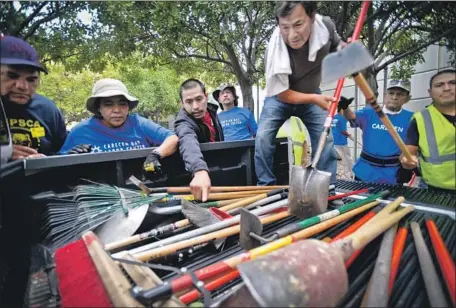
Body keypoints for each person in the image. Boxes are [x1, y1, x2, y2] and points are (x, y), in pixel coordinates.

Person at [255, 1, 345, 193]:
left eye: (298, 24)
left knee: (326, 140)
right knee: (262, 138)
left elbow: (338, 46)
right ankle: (266, 188)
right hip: (279, 98)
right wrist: (314, 99)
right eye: (285, 27)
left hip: (312, 93)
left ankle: (327, 190)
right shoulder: (275, 49)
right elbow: (283, 94)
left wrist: (347, 50)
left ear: (312, 17)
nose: (292, 35)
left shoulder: (325, 26)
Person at [58, 78, 178, 179]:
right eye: (108, 104)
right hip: (99, 196)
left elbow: (172, 138)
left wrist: (155, 155)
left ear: (128, 107)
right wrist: (70, 159)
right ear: (98, 108)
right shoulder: (80, 132)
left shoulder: (139, 124)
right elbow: (58, 168)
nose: (117, 110)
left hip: (142, 191)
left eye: (122, 103)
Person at [0, 35, 67, 160]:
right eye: (12, 76)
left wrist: (46, 162)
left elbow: (62, 155)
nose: (22, 86)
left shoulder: (48, 111)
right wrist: (4, 154)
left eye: (31, 79)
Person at [340, 80, 414, 184]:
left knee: (389, 201)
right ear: (385, 95)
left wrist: (409, 167)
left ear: (407, 98)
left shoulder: (411, 118)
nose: (394, 97)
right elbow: (352, 117)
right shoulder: (369, 112)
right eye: (391, 93)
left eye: (400, 94)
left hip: (392, 174)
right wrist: (345, 108)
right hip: (365, 172)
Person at [400, 69, 455, 192]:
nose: (447, 88)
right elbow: (408, 153)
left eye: (453, 83)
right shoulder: (420, 119)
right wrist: (406, 160)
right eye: (439, 85)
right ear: (430, 92)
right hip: (435, 190)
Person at [174, 79, 224, 201]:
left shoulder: (212, 112)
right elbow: (187, 141)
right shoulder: (183, 123)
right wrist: (199, 170)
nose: (195, 107)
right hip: (197, 181)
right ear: (182, 103)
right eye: (189, 102)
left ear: (206, 96)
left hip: (218, 172)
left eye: (199, 99)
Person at [331, 97, 355, 179]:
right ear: (342, 109)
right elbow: (342, 130)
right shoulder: (342, 118)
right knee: (347, 160)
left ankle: (338, 175)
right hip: (341, 143)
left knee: (337, 161)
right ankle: (349, 176)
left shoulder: (334, 117)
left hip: (334, 142)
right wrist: (349, 136)